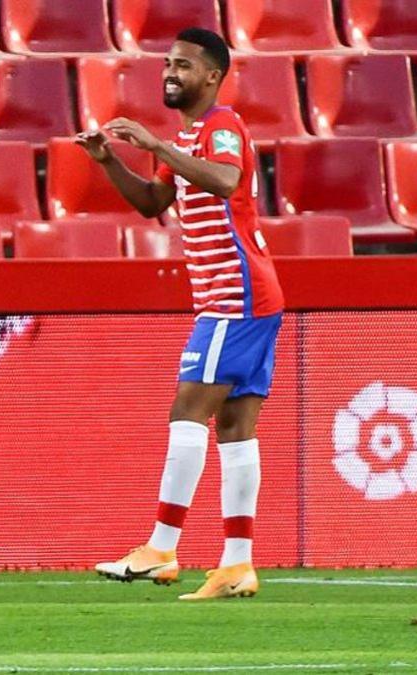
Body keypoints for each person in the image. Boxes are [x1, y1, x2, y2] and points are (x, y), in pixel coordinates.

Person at [81, 28, 284, 600]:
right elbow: (153, 202)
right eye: (167, 63)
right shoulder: (191, 134)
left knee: (187, 410)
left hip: (235, 296)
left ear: (213, 76)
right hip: (245, 297)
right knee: (235, 429)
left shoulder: (221, 126)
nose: (169, 73)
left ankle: (162, 547)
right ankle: (237, 564)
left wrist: (156, 144)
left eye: (183, 66)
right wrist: (108, 160)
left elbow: (225, 179)